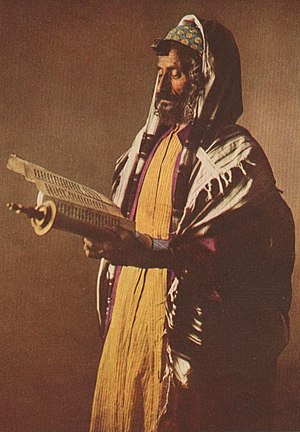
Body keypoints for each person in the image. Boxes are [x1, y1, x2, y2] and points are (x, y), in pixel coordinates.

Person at [83, 15, 295, 432]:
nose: (161, 87)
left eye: (175, 74)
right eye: (160, 73)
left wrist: (150, 252)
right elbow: (128, 222)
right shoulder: (149, 147)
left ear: (207, 79)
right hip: (132, 320)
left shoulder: (237, 158)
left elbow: (229, 257)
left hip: (183, 338)